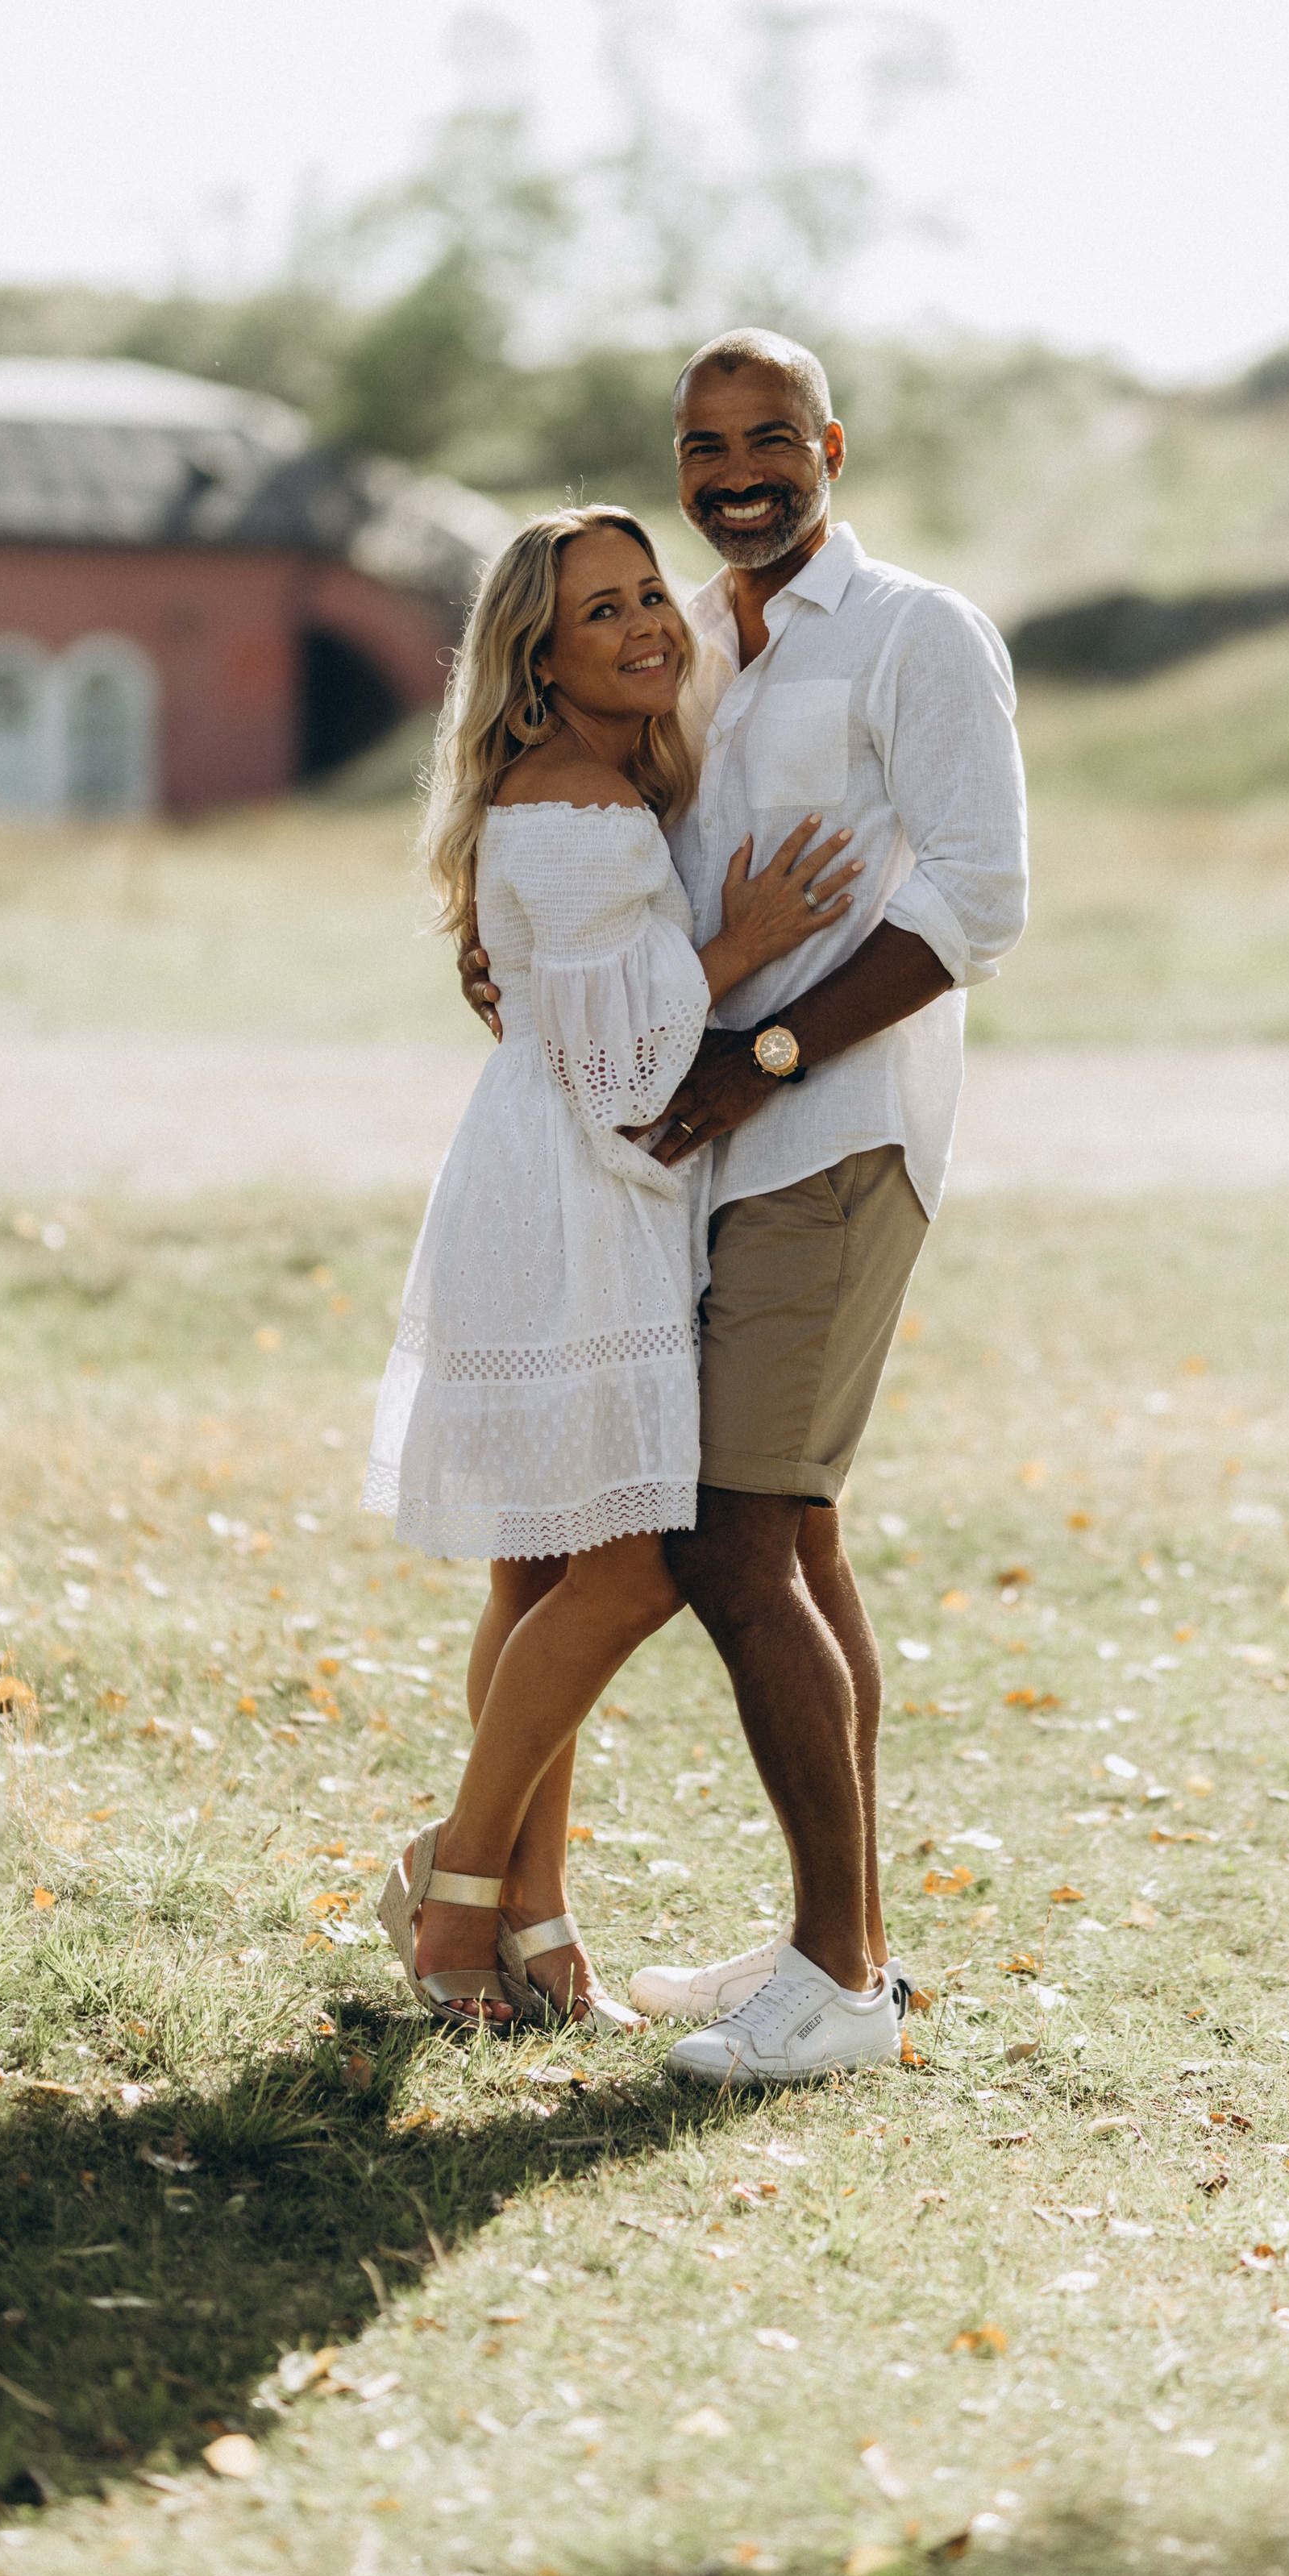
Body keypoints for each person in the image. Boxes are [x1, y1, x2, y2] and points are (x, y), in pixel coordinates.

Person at [461, 331, 1029, 2085]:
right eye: (704, 443)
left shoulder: (919, 633)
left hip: (833, 1137)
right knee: (795, 1540)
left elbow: (976, 901)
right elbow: (592, 840)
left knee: (724, 1542)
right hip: (683, 1149)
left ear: (830, 444)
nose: (735, 470)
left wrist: (768, 1048)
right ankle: (826, 1948)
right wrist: (509, 949)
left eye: (769, 436)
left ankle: (841, 1983)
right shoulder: (683, 635)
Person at [366, 505, 859, 2030]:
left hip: (552, 1184)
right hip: (584, 1200)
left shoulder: (572, 786)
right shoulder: (576, 805)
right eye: (604, 613)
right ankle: (454, 1888)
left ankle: (534, 1918)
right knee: (631, 1561)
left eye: (654, 595)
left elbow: (561, 1015)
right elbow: (626, 1057)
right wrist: (744, 941)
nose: (651, 624)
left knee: (538, 1565)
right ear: (536, 663)